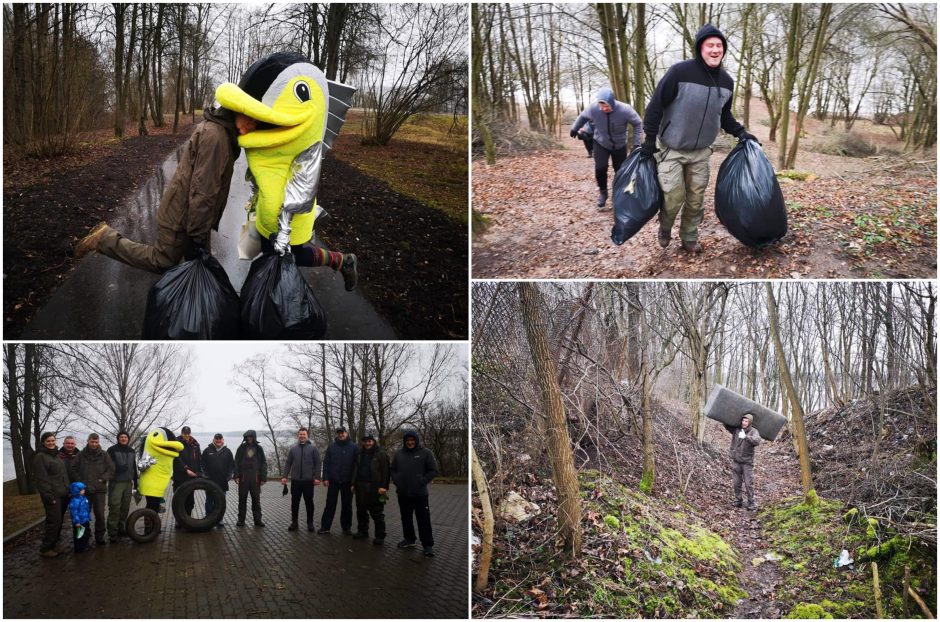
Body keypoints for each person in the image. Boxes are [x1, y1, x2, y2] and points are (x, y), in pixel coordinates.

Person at [215, 51, 359, 290]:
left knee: (291, 255)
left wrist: (278, 227)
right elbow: (268, 170)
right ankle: (258, 292)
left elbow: (300, 189)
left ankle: (342, 261)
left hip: (287, 219)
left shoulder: (307, 149)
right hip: (270, 216)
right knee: (260, 253)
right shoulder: (275, 139)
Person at [72, 102, 247, 273]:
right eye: (252, 121)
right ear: (239, 111)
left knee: (200, 271)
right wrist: (198, 236)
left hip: (193, 218)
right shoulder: (216, 137)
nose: (253, 127)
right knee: (162, 261)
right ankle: (104, 239)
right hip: (182, 218)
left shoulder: (220, 133)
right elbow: (203, 191)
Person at [639, 23, 758, 253]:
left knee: (695, 200)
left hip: (702, 151)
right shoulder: (679, 72)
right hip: (671, 148)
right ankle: (665, 226)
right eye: (709, 45)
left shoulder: (726, 82)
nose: (715, 50)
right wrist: (649, 140)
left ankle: (689, 237)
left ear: (724, 50)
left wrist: (741, 132)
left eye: (719, 45)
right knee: (674, 196)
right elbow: (655, 107)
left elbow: (723, 115)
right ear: (700, 48)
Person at [570, 87, 643, 208]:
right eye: (601, 106)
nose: (604, 109)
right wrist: (574, 127)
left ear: (612, 103)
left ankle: (618, 195)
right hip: (601, 142)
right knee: (600, 168)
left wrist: (636, 143)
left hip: (619, 144)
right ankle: (603, 193)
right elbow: (583, 116)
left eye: (606, 106)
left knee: (620, 171)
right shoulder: (594, 108)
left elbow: (638, 123)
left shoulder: (625, 110)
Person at [391, 430, 440, 557]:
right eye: (407, 441)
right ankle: (409, 539)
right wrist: (397, 481)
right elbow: (393, 470)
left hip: (420, 494)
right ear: (405, 441)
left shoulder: (426, 453)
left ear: (416, 440)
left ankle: (427, 545)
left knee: (423, 520)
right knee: (406, 518)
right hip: (403, 493)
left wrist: (422, 480)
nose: (410, 442)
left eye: (412, 440)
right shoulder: (398, 454)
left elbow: (433, 471)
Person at [70, 433, 115, 546]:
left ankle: (100, 537)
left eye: (96, 442)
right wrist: (81, 483)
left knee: (100, 514)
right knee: (83, 514)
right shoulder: (80, 455)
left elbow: (111, 469)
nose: (94, 444)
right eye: (92, 442)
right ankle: (85, 536)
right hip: (84, 492)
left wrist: (102, 479)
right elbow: (73, 469)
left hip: (99, 490)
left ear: (98, 442)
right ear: (88, 441)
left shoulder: (104, 455)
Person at [33, 432, 70, 557]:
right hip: (52, 495)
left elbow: (63, 475)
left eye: (53, 441)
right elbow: (42, 479)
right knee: (53, 522)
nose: (51, 443)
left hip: (62, 494)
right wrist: (49, 496)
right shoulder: (40, 457)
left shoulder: (56, 455)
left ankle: (53, 544)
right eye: (48, 441)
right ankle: (46, 548)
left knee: (58, 522)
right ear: (43, 442)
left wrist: (68, 490)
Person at [350, 431, 389, 545]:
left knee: (377, 512)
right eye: (365, 441)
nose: (367, 443)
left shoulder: (381, 454)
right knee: (361, 511)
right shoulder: (359, 453)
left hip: (375, 487)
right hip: (360, 486)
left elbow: (386, 472)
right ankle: (362, 531)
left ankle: (380, 535)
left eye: (369, 441)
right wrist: (353, 483)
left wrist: (384, 486)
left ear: (373, 441)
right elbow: (355, 470)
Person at [280, 427, 321, 532]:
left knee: (309, 503)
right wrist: (284, 476)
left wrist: (317, 477)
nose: (302, 436)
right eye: (300, 434)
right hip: (296, 481)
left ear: (307, 435)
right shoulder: (293, 449)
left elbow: (318, 463)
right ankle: (294, 522)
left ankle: (310, 523)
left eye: (304, 434)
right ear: (298, 435)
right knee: (295, 503)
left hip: (308, 481)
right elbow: (288, 463)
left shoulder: (313, 448)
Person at [318, 427, 357, 535]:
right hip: (333, 481)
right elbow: (326, 463)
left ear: (346, 433)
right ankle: (325, 527)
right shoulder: (332, 447)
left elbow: (356, 466)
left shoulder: (354, 447)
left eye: (342, 433)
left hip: (347, 482)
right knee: (330, 505)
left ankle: (346, 528)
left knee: (347, 506)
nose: (340, 435)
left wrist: (354, 482)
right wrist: (325, 478)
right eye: (339, 433)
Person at [724, 413, 762, 510]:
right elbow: (726, 425)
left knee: (748, 483)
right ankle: (738, 501)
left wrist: (746, 437)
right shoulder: (736, 429)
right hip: (736, 460)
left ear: (750, 422)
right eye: (743, 421)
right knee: (736, 482)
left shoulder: (754, 431)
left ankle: (751, 502)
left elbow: (757, 441)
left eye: (746, 421)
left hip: (747, 462)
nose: (744, 423)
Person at [106, 430, 138, 542]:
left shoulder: (131, 451)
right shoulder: (112, 450)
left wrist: (136, 481)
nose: (124, 439)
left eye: (125, 437)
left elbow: (134, 466)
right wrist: (117, 469)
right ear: (118, 438)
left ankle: (121, 528)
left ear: (128, 439)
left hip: (128, 483)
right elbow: (107, 466)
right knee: (115, 507)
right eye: (121, 437)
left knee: (125, 507)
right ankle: (112, 532)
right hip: (116, 482)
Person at [234, 430, 267, 527]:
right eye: (247, 437)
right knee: (242, 500)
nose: (249, 438)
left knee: (256, 500)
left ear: (254, 437)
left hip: (255, 477)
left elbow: (263, 463)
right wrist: (236, 476)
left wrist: (263, 478)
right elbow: (236, 462)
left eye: (251, 437)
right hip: (243, 477)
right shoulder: (241, 448)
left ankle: (258, 521)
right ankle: (241, 520)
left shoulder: (259, 448)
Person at [202, 433, 235, 527]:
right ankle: (208, 518)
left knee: (221, 501)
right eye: (216, 439)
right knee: (209, 501)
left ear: (223, 440)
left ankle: (220, 519)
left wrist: (229, 476)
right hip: (209, 481)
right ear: (214, 440)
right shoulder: (207, 450)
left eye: (220, 439)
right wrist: (204, 475)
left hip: (222, 482)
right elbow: (202, 463)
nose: (218, 440)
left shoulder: (228, 451)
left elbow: (231, 466)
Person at [172, 425, 202, 527]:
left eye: (188, 433)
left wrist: (198, 472)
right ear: (181, 433)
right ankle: (178, 520)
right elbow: (175, 459)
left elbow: (199, 459)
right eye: (185, 433)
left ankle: (187, 519)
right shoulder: (176, 443)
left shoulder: (195, 444)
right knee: (179, 499)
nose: (186, 435)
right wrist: (186, 469)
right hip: (180, 476)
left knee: (190, 500)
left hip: (191, 477)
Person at [68, 482, 92, 553]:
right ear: (77, 491)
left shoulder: (83, 498)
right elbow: (74, 513)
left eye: (84, 489)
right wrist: (77, 522)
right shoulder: (74, 501)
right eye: (82, 490)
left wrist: (88, 517)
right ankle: (79, 548)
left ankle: (84, 545)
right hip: (79, 522)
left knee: (85, 533)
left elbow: (86, 508)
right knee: (79, 535)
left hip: (85, 520)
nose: (84, 491)